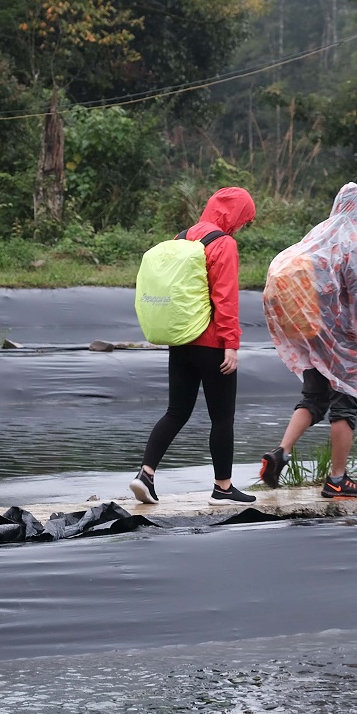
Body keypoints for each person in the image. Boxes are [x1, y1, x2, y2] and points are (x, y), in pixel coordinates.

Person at [129, 187, 258, 506]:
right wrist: (231, 344)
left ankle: (145, 474)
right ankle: (223, 488)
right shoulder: (223, 243)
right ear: (235, 215)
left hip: (180, 338)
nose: (242, 226)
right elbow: (225, 298)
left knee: (176, 411)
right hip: (212, 343)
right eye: (245, 220)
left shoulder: (182, 238)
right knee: (222, 417)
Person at [259, 182, 357, 499]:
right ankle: (337, 479)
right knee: (346, 405)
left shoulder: (319, 234)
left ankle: (281, 452)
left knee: (314, 398)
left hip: (313, 332)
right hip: (344, 339)